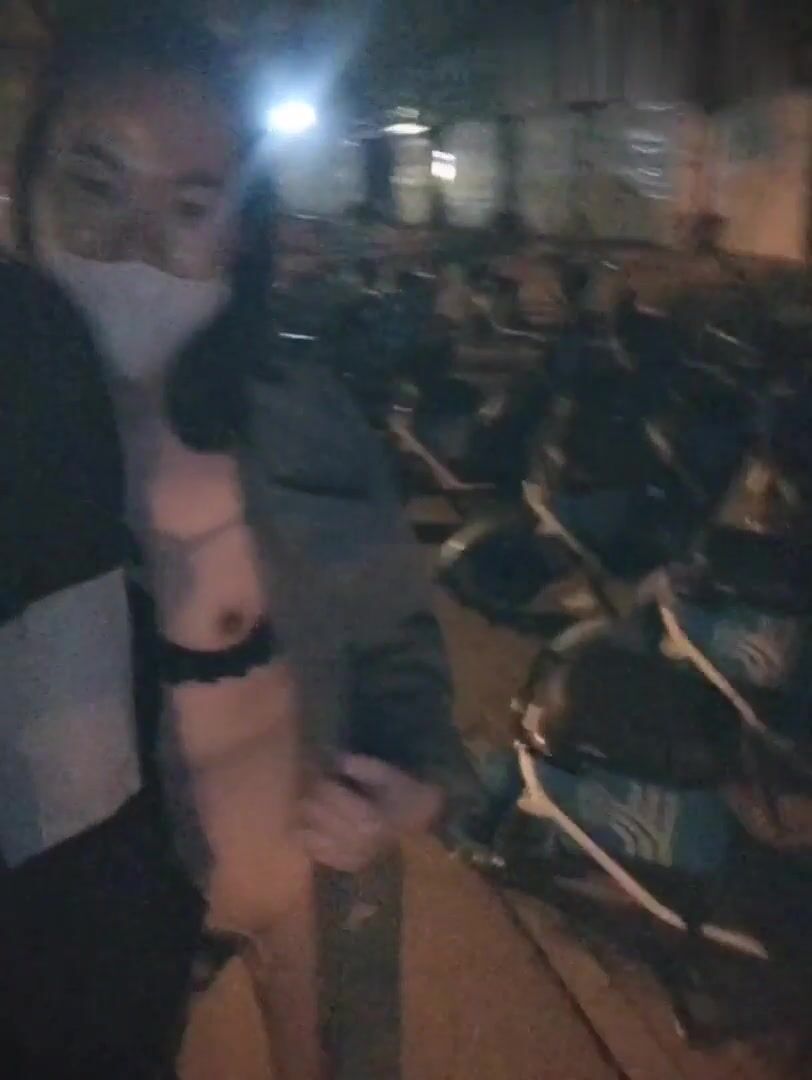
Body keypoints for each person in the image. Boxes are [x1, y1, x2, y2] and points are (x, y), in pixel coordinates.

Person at [15, 13, 480, 1079]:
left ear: (239, 235)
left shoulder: (295, 416)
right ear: (24, 187)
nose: (138, 246)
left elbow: (392, 636)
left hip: (319, 884)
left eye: (190, 208)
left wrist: (412, 785)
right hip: (107, 936)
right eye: (96, 185)